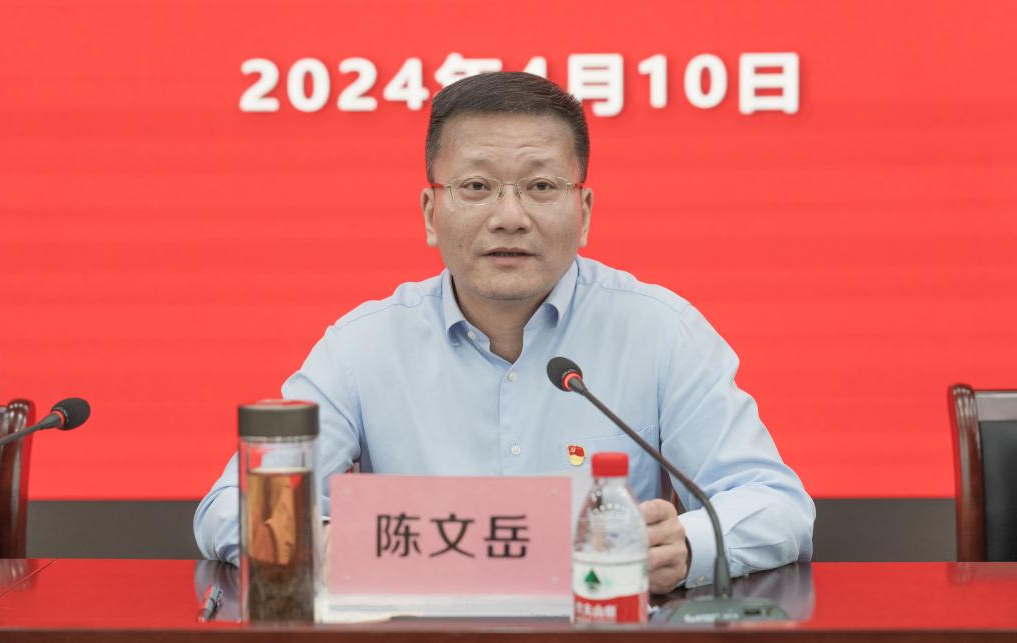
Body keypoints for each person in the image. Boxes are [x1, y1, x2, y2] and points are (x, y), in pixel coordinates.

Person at [194, 72, 814, 592]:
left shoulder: (660, 331)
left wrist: (688, 543)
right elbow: (229, 508)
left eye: (541, 186)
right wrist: (322, 545)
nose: (509, 216)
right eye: (476, 187)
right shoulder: (363, 346)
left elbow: (776, 503)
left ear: (584, 212)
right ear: (432, 213)